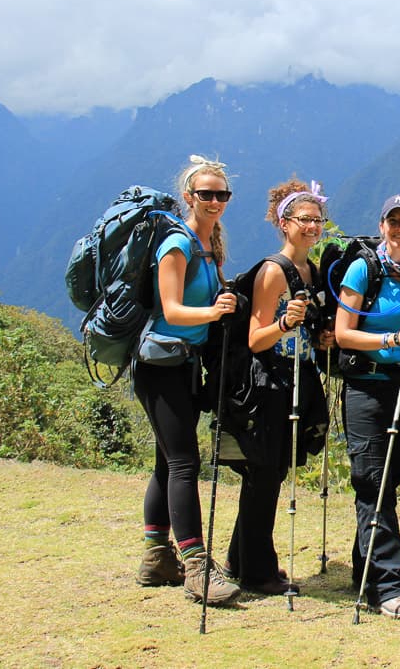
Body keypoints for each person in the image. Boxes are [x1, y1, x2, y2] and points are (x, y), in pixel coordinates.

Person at [133, 154, 241, 605]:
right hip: (161, 363)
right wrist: (215, 312)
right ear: (188, 197)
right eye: (206, 194)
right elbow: (172, 310)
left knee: (166, 459)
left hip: (185, 363)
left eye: (222, 194)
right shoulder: (175, 245)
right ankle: (197, 567)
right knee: (184, 462)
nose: (214, 201)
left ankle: (156, 557)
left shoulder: (209, 244)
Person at [223, 179, 331, 595]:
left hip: (297, 375)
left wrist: (318, 336)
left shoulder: (310, 270)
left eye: (317, 220)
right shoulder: (274, 271)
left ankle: (240, 557)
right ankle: (258, 572)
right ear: (284, 223)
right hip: (271, 380)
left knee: (270, 472)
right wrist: (285, 323)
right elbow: (255, 338)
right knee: (264, 475)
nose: (312, 227)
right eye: (304, 220)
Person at [334, 194, 400, 621]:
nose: (399, 229)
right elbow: (343, 333)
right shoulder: (364, 270)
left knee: (389, 478)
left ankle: (365, 568)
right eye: (392, 221)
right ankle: (389, 586)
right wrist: (391, 340)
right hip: (366, 385)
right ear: (381, 226)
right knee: (373, 479)